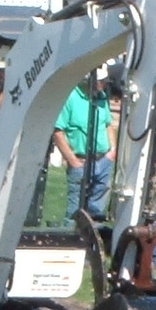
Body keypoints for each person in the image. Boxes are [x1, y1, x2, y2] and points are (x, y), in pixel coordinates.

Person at [53, 76, 115, 221]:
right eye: (103, 81)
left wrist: (112, 151)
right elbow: (58, 132)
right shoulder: (70, 97)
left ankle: (91, 242)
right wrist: (72, 160)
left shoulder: (101, 96)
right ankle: (70, 241)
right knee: (74, 212)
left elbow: (108, 124)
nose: (105, 84)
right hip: (81, 162)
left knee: (97, 213)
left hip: (103, 161)